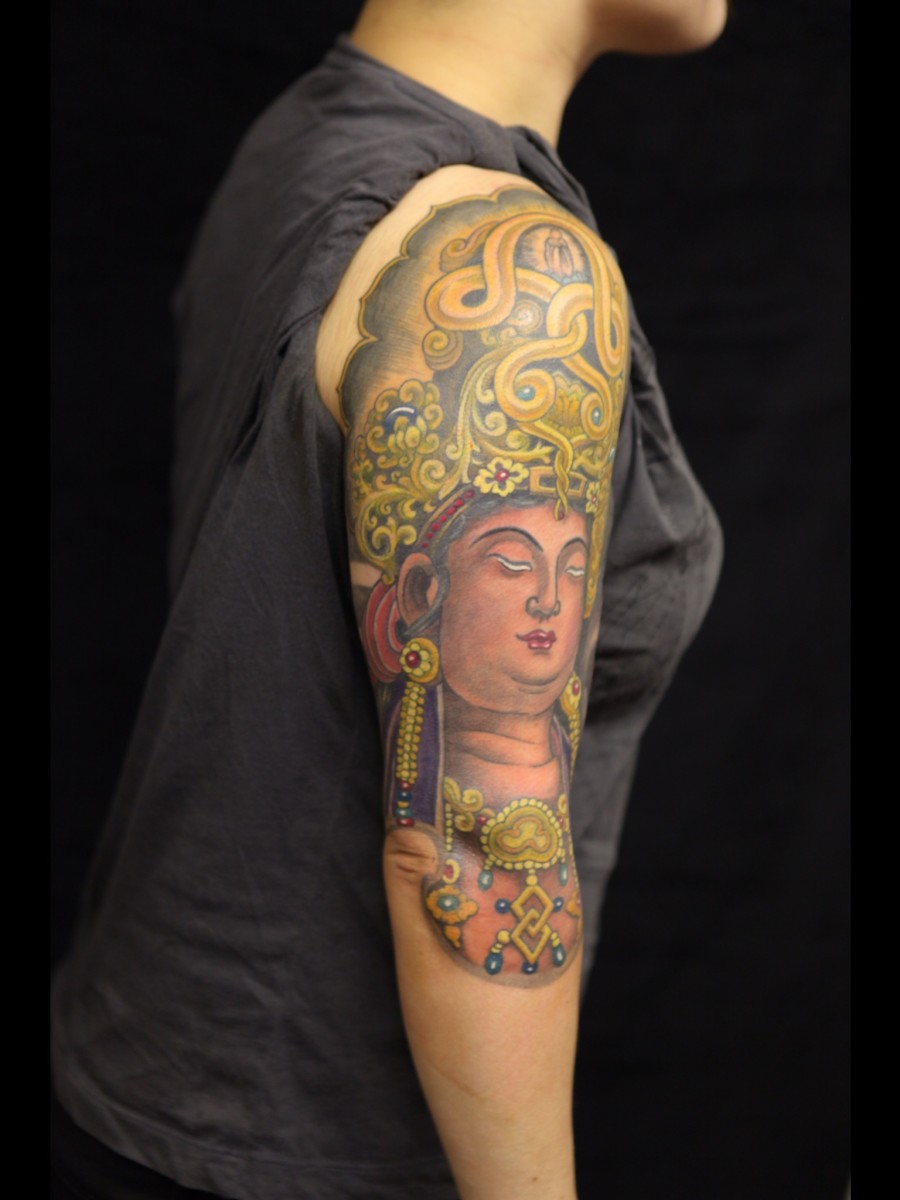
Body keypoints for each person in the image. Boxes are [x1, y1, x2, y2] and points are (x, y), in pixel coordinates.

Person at [52, 2, 727, 1198]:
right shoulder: (518, 284)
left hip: (148, 1078)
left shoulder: (305, 137)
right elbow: (467, 845)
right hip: (305, 1154)